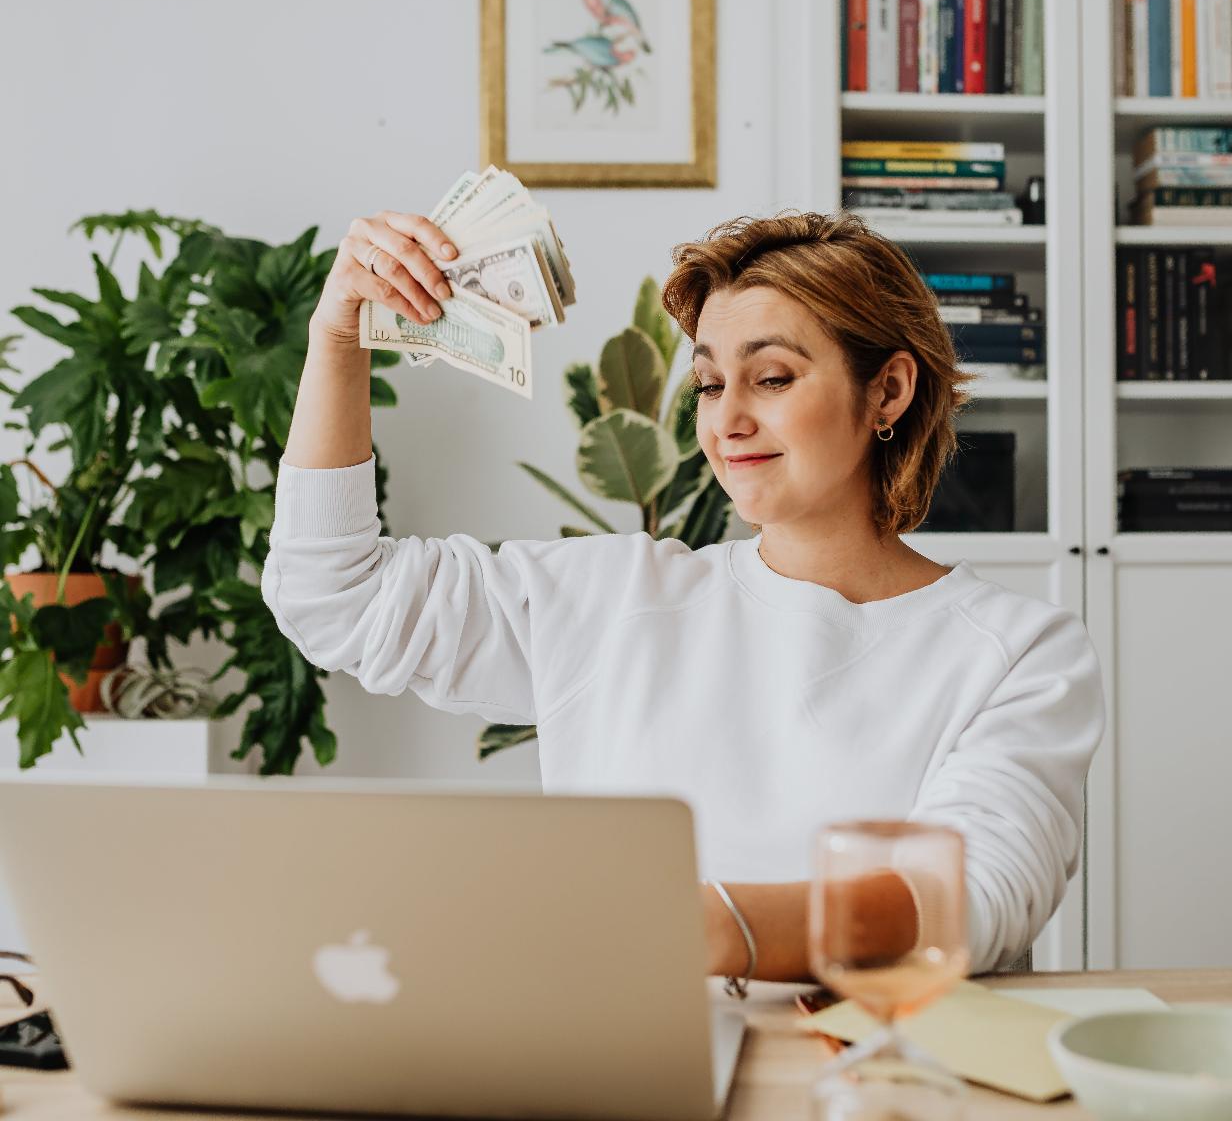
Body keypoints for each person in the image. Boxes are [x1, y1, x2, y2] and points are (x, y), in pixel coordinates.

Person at [262, 207, 1104, 991]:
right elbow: (335, 595)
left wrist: (698, 925)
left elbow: (976, 899)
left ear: (887, 391)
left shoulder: (1019, 652)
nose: (726, 419)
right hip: (626, 1074)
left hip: (869, 1081)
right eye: (708, 385)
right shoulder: (613, 599)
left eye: (771, 378)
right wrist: (338, 343)